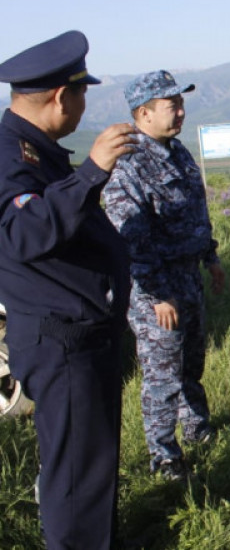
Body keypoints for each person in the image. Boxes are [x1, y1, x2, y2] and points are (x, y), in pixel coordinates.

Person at [0, 31, 135, 549]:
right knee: (75, 477)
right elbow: (24, 232)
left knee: (89, 467)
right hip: (61, 343)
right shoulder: (11, 156)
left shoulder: (39, 151)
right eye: (81, 94)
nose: (83, 107)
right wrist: (92, 173)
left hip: (79, 337)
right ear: (62, 96)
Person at [104, 70, 225, 481]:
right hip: (155, 288)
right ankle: (164, 455)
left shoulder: (178, 153)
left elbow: (196, 213)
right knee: (161, 373)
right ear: (144, 112)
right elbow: (131, 239)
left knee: (191, 360)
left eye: (181, 103)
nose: (180, 111)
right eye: (172, 105)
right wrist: (158, 294)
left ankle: (196, 428)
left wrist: (211, 258)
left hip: (187, 277)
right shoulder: (129, 163)